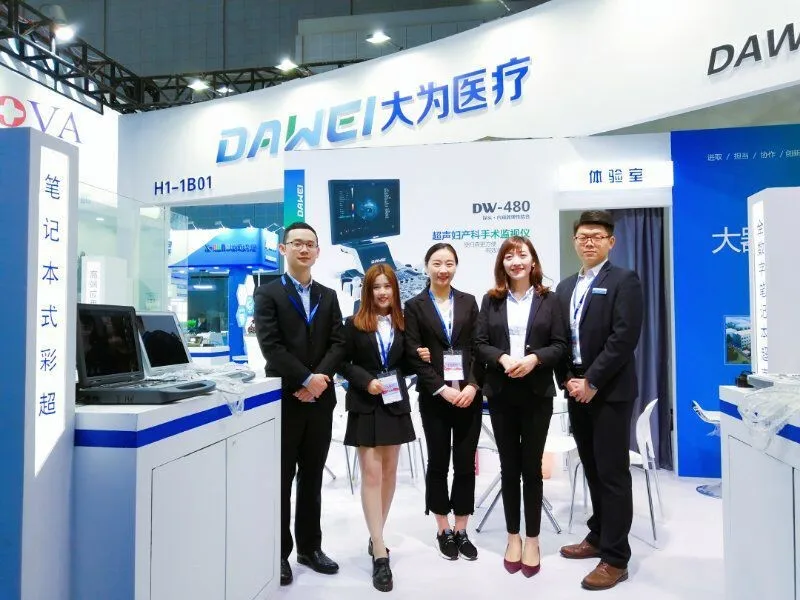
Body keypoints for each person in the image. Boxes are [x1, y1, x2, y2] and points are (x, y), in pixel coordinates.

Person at [554, 210, 643, 592]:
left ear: (611, 241)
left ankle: (616, 558)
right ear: (575, 241)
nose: (589, 242)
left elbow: (624, 338)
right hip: (577, 390)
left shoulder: (624, 280)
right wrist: (568, 380)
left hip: (609, 392)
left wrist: (592, 380)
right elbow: (559, 340)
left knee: (612, 473)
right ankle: (599, 534)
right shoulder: (565, 288)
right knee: (591, 468)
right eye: (583, 236)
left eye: (597, 236)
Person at [253, 222, 346, 587]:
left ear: (318, 252)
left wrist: (319, 380)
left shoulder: (328, 295)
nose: (304, 249)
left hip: (320, 401)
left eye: (310, 244)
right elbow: (271, 346)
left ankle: (310, 548)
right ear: (283, 248)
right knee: (282, 477)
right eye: (297, 244)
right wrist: (305, 379)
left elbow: (338, 343)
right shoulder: (268, 293)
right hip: (286, 398)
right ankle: (278, 552)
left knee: (312, 476)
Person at [475, 236, 567, 578]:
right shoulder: (491, 300)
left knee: (532, 468)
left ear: (533, 261)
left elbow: (560, 345)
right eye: (509, 256)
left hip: (536, 393)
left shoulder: (549, 300)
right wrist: (502, 358)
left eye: (522, 255)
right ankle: (512, 536)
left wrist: (534, 359)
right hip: (501, 392)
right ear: (502, 263)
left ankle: (533, 539)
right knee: (509, 467)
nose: (516, 261)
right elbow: (479, 343)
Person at [339, 263, 416, 593]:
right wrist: (365, 381)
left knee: (389, 473)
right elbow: (343, 363)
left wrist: (420, 356)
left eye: (387, 286)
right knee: (371, 474)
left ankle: (376, 536)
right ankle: (381, 553)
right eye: (376, 287)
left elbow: (405, 362)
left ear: (395, 290)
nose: (383, 292)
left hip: (394, 402)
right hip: (366, 403)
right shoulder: (353, 324)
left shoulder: (403, 322)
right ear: (367, 291)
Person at [404, 243, 482, 561]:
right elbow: (413, 353)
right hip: (435, 398)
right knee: (438, 462)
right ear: (426, 266)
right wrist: (440, 388)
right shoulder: (414, 306)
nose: (443, 269)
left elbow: (479, 348)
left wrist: (473, 386)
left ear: (456, 267)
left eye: (449, 263)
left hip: (468, 397)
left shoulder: (469, 301)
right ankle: (442, 528)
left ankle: (461, 529)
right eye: (437, 263)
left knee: (465, 464)